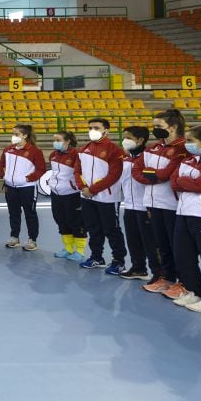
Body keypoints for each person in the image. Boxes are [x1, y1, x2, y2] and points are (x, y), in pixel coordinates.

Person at [134, 108, 190, 295]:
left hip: (172, 205)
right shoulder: (153, 147)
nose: (155, 129)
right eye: (154, 126)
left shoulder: (182, 148)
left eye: (159, 126)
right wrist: (151, 176)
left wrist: (151, 175)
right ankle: (167, 278)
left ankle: (183, 282)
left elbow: (167, 174)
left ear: (173, 127)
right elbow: (137, 169)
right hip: (153, 203)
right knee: (162, 244)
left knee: (178, 246)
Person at [169, 124, 201, 313]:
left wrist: (185, 182)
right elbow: (174, 182)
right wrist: (189, 182)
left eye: (190, 141)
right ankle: (195, 291)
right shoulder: (189, 161)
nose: (186, 144)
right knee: (184, 256)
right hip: (184, 214)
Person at [75, 118, 127, 271]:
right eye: (90, 127)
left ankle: (119, 260)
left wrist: (93, 189)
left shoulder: (115, 150)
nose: (92, 131)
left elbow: (114, 175)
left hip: (108, 198)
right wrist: (83, 188)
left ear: (106, 131)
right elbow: (76, 171)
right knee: (93, 228)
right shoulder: (83, 149)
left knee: (111, 230)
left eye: (96, 128)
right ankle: (96, 257)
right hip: (86, 197)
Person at [0, 124, 45, 251]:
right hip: (10, 187)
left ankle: (32, 240)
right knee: (13, 213)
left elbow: (41, 169)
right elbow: (2, 165)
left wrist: (26, 179)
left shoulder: (35, 151)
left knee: (30, 213)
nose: (13, 136)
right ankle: (14, 237)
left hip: (27, 188)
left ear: (25, 135)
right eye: (12, 134)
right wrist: (5, 176)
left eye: (16, 134)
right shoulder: (8, 150)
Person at [119, 127, 154, 281]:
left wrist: (150, 206)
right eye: (124, 137)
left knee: (150, 242)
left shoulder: (149, 158)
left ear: (140, 140)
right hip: (129, 206)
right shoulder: (126, 159)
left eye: (128, 137)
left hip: (145, 207)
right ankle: (138, 268)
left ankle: (159, 274)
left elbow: (153, 182)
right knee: (133, 240)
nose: (124, 140)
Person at [49, 131, 88, 262]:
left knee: (76, 222)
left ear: (67, 141)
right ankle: (68, 248)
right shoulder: (53, 155)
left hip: (72, 194)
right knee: (61, 221)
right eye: (54, 139)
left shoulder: (77, 155)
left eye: (58, 140)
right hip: (56, 194)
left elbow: (81, 173)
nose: (55, 142)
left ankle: (80, 251)